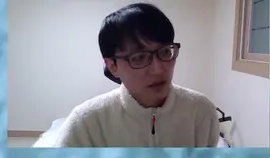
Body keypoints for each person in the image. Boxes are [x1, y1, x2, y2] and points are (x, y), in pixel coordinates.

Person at [53, 3, 220, 148]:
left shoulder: (201, 112)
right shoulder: (85, 124)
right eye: (139, 57)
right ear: (113, 66)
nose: (158, 69)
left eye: (164, 52)